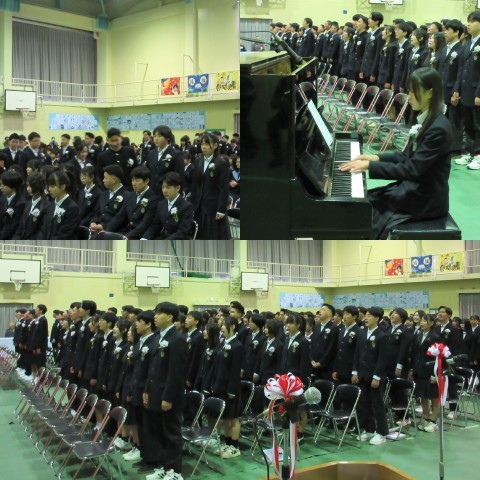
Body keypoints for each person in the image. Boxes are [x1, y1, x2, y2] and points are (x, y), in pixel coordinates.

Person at [340, 67, 453, 239]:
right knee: (366, 201)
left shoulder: (438, 128)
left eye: (414, 92)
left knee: (371, 211)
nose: (409, 97)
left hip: (426, 199)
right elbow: (405, 156)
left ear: (430, 93)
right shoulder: (427, 119)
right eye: (409, 91)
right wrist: (375, 157)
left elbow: (412, 169)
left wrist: (370, 166)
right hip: (414, 189)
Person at [144, 302, 187, 480]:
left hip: (168, 396)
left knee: (171, 434)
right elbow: (152, 367)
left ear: (169, 317)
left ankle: (175, 472)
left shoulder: (177, 339)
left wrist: (168, 397)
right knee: (159, 432)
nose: (155, 316)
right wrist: (147, 390)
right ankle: (164, 466)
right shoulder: (158, 337)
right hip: (155, 392)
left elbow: (176, 373)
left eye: (159, 313)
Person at [352, 306, 389, 445]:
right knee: (364, 403)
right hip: (362, 375)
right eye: (365, 315)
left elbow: (383, 359)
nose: (366, 318)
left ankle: (382, 433)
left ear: (377, 318)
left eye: (369, 316)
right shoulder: (362, 334)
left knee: (377, 405)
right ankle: (369, 430)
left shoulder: (382, 336)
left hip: (375, 377)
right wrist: (354, 371)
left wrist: (377, 376)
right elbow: (356, 354)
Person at [190, 132, 230, 240]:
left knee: (212, 237)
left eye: (207, 144)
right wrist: (192, 205)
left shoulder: (221, 163)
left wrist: (221, 209)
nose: (203, 147)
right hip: (199, 206)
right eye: (202, 144)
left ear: (215, 145)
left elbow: (224, 188)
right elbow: (195, 185)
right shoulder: (198, 161)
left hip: (213, 206)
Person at [104, 166, 159, 239]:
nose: (134, 183)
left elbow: (144, 224)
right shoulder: (130, 196)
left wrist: (127, 236)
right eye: (133, 180)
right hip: (126, 232)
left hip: (141, 236)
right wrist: (106, 231)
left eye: (137, 180)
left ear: (146, 181)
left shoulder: (153, 199)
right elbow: (120, 216)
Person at [409, 314, 442, 432]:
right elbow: (414, 353)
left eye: (424, 321)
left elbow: (439, 357)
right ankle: (426, 418)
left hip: (431, 371)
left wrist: (435, 374)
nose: (421, 323)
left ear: (431, 323)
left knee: (434, 396)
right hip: (419, 370)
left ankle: (434, 421)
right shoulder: (418, 335)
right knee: (423, 395)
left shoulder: (435, 337)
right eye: (421, 320)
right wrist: (412, 369)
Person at [141, 172, 194, 240]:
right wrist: (144, 238)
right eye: (163, 187)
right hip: (163, 237)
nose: (164, 191)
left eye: (168, 187)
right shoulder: (161, 204)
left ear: (177, 188)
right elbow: (155, 226)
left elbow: (182, 232)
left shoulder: (187, 206)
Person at [38, 170, 80, 239]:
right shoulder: (50, 205)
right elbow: (43, 229)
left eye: (52, 186)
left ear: (63, 187)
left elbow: (64, 235)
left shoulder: (72, 208)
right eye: (49, 186)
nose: (49, 189)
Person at [0, 170, 26, 239]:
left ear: (13, 186)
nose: (1, 187)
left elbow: (12, 226)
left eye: (4, 185)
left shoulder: (21, 203)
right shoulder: (3, 198)